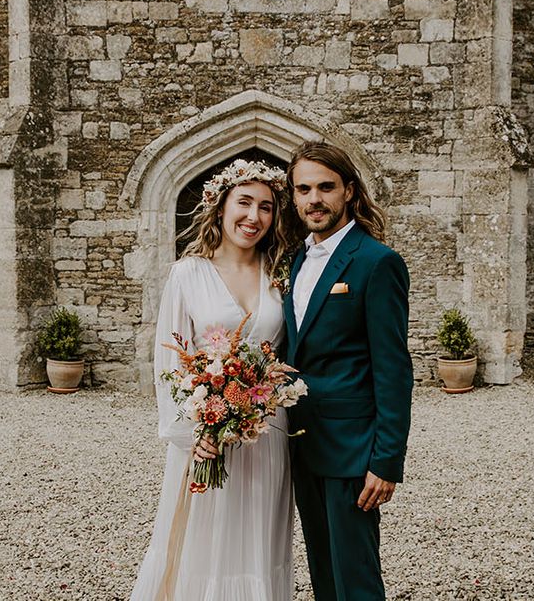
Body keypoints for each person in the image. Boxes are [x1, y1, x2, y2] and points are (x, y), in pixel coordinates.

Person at [130, 157, 294, 601]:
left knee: (257, 543)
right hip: (206, 439)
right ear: (220, 206)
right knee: (203, 542)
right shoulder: (188, 273)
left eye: (266, 207)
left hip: (267, 436)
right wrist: (193, 433)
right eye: (244, 202)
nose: (254, 217)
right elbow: (169, 363)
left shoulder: (279, 275)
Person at [283, 141, 414, 601]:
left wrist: (386, 460)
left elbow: (394, 368)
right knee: (323, 568)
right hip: (301, 442)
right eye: (304, 189)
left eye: (325, 187)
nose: (314, 199)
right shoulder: (297, 259)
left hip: (353, 449)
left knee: (355, 577)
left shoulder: (377, 262)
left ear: (349, 191)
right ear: (293, 196)